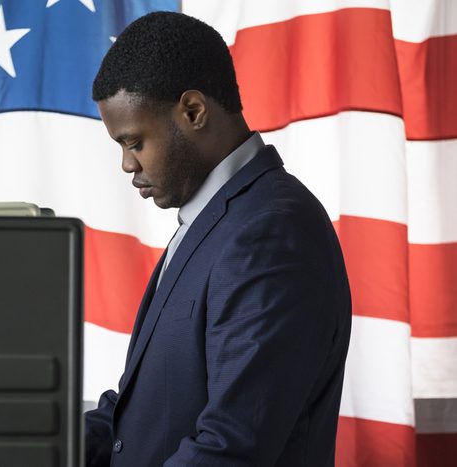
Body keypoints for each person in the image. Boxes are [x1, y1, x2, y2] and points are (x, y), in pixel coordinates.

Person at [84, 11, 352, 467]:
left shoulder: (271, 232)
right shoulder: (215, 220)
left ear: (193, 111)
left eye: (134, 143)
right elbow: (141, 411)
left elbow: (232, 447)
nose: (128, 165)